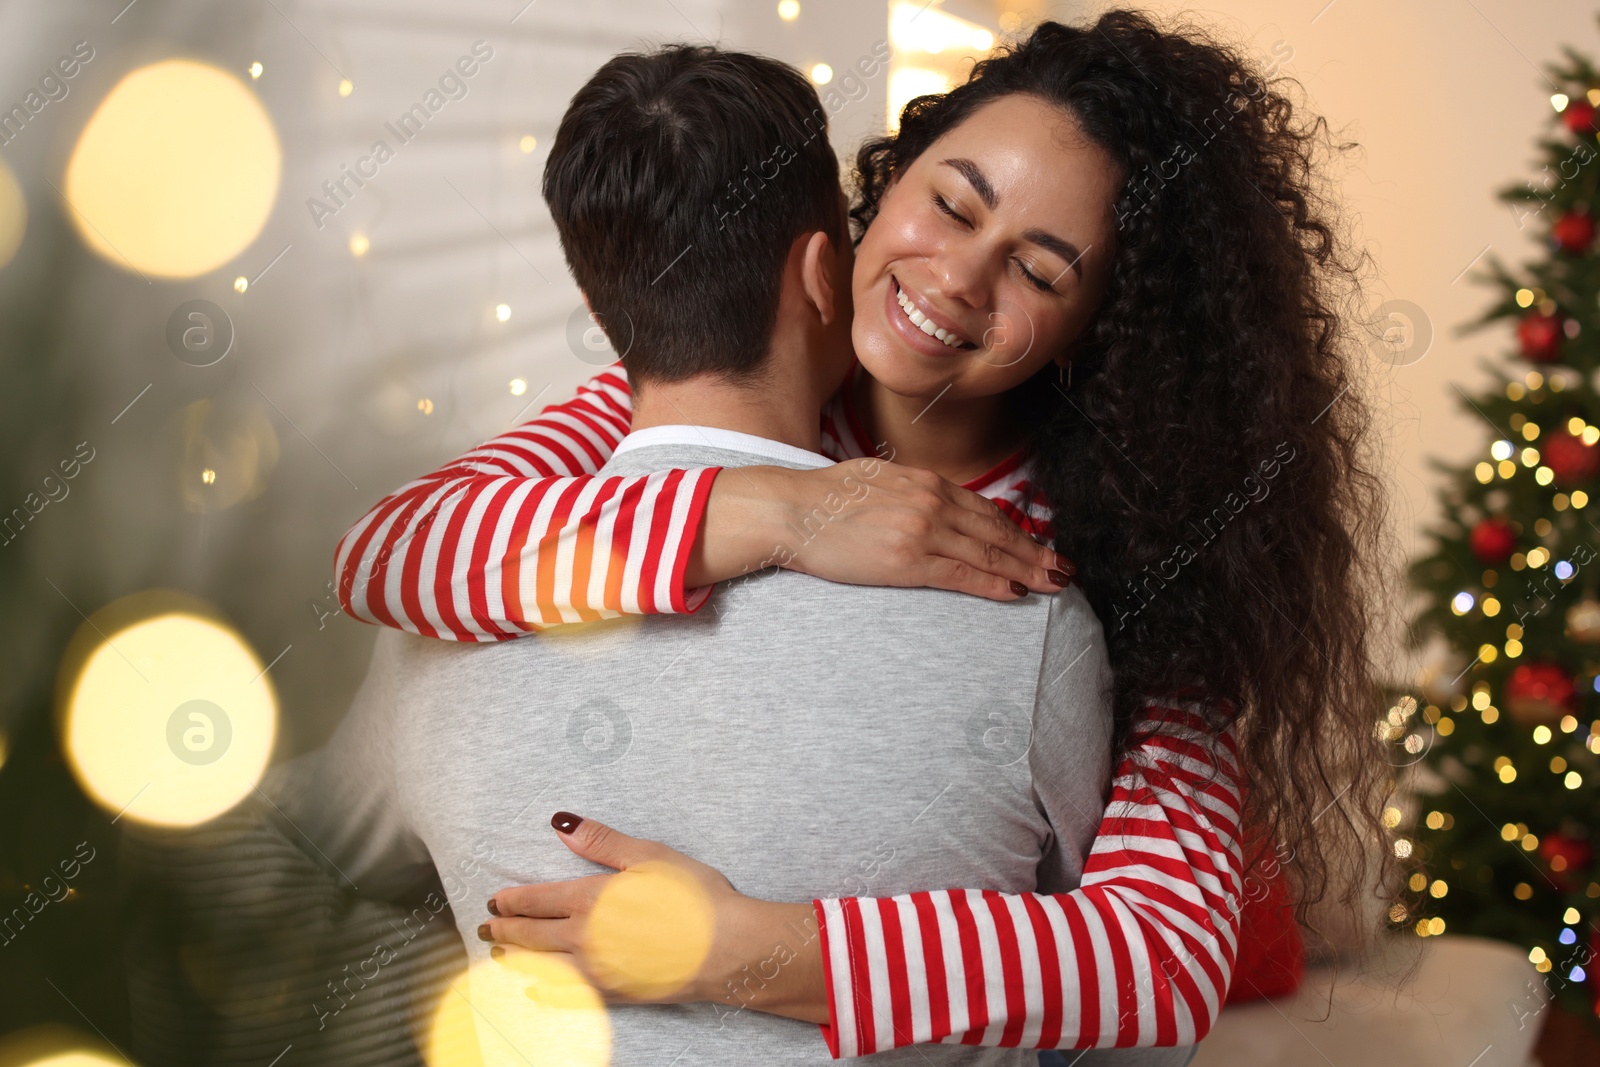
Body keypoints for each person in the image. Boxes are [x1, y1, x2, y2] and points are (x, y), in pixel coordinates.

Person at [336, 10, 1386, 1060]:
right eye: (951, 202)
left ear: (1099, 325)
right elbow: (389, 552)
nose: (959, 278)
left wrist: (752, 950)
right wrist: (779, 513)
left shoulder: (1144, 551)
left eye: (1039, 271)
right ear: (883, 183)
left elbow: (1162, 955)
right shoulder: (702, 379)